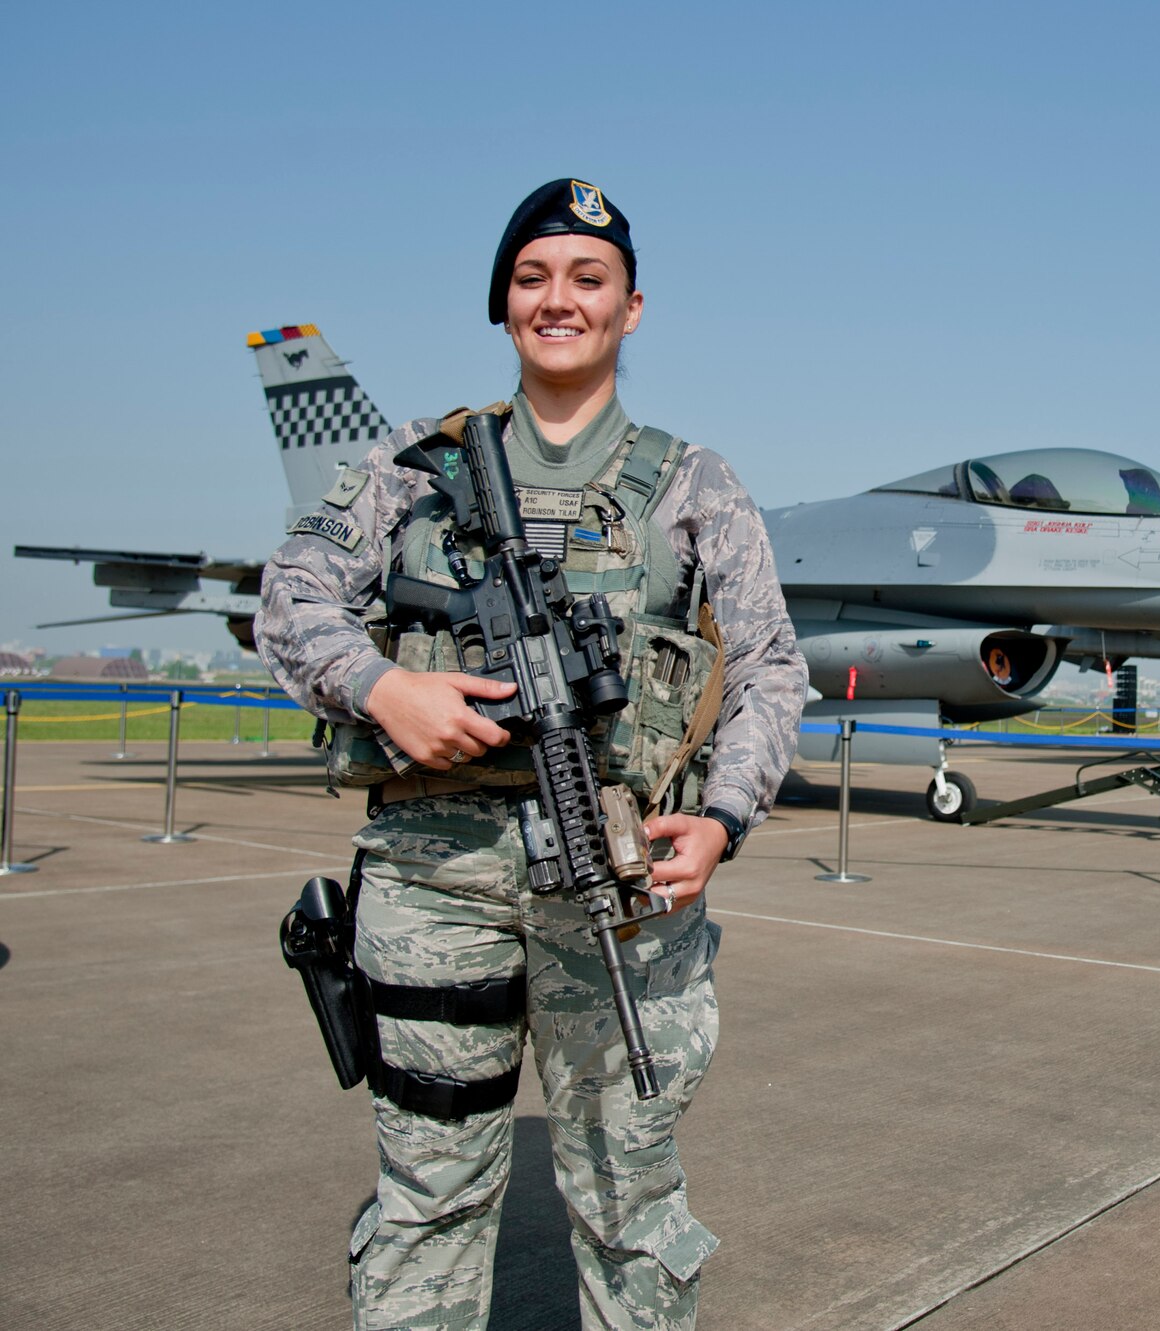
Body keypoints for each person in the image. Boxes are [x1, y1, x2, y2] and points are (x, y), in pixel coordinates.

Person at [256, 178, 809, 1330]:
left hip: (618, 893)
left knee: (628, 1195)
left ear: (631, 308)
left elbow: (767, 668)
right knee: (429, 1196)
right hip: (429, 885)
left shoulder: (693, 483)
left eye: (587, 278)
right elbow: (292, 593)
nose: (559, 299)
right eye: (532, 277)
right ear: (504, 303)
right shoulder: (413, 466)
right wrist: (382, 685)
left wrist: (723, 818)